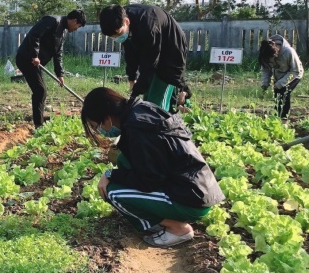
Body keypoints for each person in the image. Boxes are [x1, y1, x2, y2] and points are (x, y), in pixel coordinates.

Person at [81, 87, 224, 248]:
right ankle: (161, 219)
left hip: (191, 200)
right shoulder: (140, 110)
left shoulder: (138, 128)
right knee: (123, 160)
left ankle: (177, 228)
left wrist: (110, 175)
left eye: (96, 126)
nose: (98, 131)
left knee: (113, 192)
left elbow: (149, 181)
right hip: (198, 189)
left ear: (107, 119)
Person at [98, 4, 187, 112]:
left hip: (170, 50)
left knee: (156, 100)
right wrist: (132, 77)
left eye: (118, 34)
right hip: (153, 47)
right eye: (113, 37)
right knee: (148, 96)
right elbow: (130, 52)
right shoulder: (118, 17)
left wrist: (135, 92)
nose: (116, 38)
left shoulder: (148, 27)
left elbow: (149, 64)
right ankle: (180, 104)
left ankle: (175, 111)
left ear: (126, 22)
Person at [15, 9, 86, 127]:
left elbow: (58, 53)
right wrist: (34, 55)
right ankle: (39, 125)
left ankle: (39, 123)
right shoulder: (52, 21)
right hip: (26, 59)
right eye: (78, 26)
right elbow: (34, 35)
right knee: (40, 91)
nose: (76, 30)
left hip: (35, 63)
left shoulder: (63, 32)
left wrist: (60, 74)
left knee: (41, 91)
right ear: (74, 20)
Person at [259, 35, 304, 121]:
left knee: (284, 93)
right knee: (277, 96)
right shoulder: (266, 52)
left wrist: (280, 83)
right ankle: (277, 117)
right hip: (278, 76)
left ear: (276, 51)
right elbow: (266, 69)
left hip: (294, 74)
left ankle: (284, 119)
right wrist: (265, 83)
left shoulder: (289, 52)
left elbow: (295, 71)